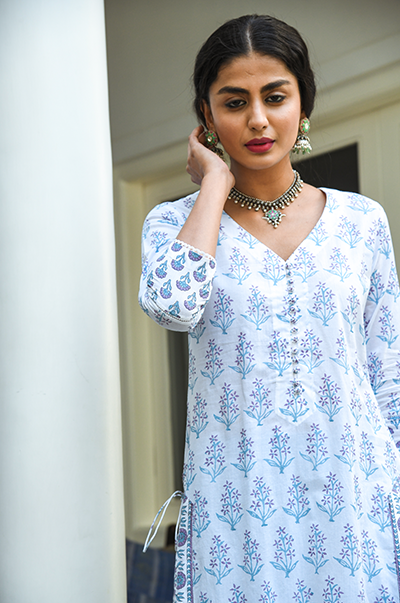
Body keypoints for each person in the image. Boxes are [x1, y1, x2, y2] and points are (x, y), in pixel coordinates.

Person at [139, 14, 400, 602]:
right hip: (239, 506)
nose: (257, 118)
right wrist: (212, 185)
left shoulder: (362, 221)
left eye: (275, 97)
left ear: (303, 103)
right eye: (234, 102)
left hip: (356, 501)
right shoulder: (173, 223)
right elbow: (172, 307)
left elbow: (390, 375)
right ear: (207, 117)